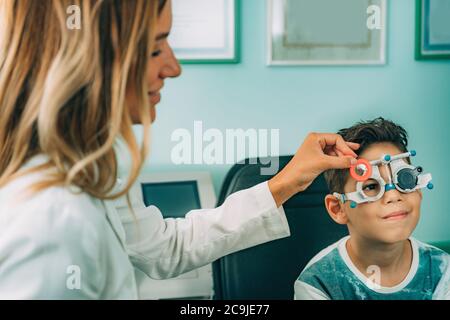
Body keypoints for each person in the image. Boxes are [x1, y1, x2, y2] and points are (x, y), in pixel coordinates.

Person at [0, 0, 359, 299]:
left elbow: (166, 248)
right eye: (156, 48)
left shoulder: (90, 173)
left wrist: (289, 180)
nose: (174, 68)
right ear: (86, 59)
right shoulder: (52, 220)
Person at [294, 118, 450, 300]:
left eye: (405, 180)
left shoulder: (442, 270)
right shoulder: (319, 284)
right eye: (370, 187)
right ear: (338, 209)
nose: (393, 196)